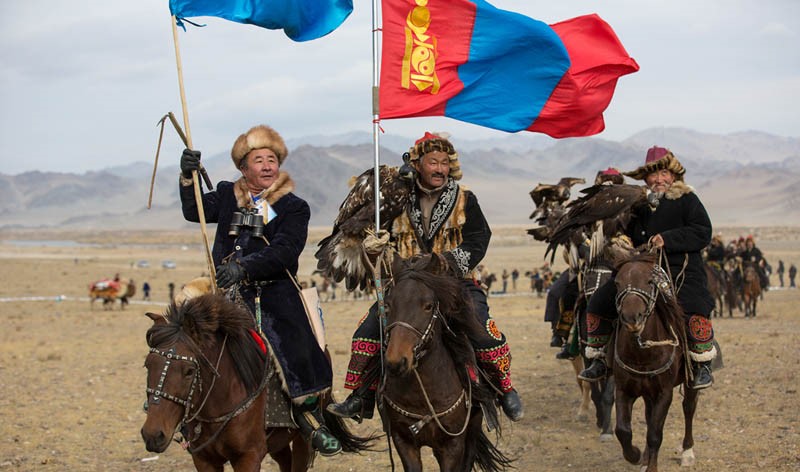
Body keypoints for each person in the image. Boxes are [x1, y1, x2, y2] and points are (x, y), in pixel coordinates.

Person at [326, 132, 524, 422]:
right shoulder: (398, 199)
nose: (440, 169)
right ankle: (361, 396)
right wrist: (375, 250)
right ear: (418, 164)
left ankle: (505, 389)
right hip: (408, 284)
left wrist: (444, 260)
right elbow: (386, 245)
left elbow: (479, 240)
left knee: (482, 330)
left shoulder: (465, 199)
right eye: (434, 162)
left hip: (457, 282)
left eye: (445, 162)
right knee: (369, 330)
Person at [179, 124, 341, 455]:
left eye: (272, 159)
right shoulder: (226, 195)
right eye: (258, 160)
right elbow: (193, 209)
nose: (267, 166)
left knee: (293, 343)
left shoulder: (294, 206)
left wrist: (244, 267)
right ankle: (178, 410)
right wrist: (187, 177)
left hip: (273, 292)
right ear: (243, 167)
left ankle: (309, 416)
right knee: (181, 338)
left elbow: (285, 249)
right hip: (225, 294)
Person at [578, 146, 717, 390]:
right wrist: (621, 242)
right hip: (641, 269)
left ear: (673, 176)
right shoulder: (641, 205)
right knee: (599, 301)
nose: (659, 179)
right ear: (646, 179)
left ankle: (700, 363)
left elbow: (703, 231)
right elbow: (628, 232)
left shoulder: (687, 200)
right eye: (653, 175)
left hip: (679, 269)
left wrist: (668, 239)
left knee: (693, 304)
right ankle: (599, 358)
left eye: (664, 173)